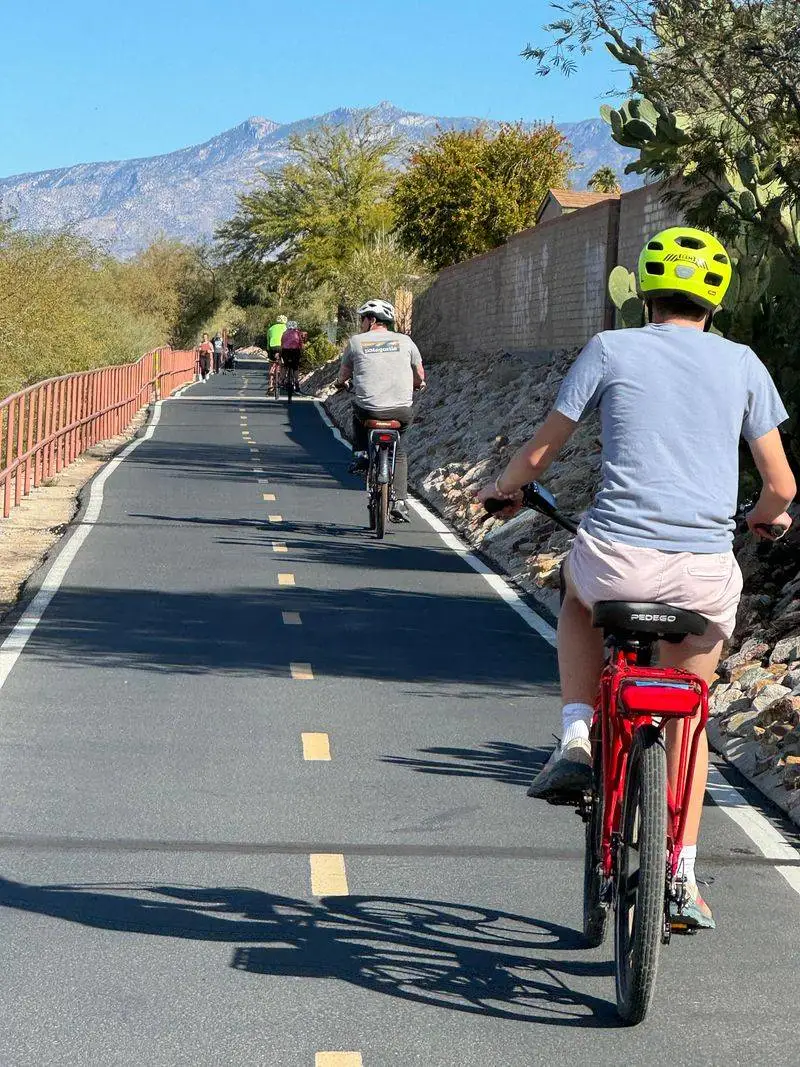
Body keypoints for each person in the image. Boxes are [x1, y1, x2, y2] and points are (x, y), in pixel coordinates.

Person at [477, 227, 795, 929]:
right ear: (716, 298)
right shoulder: (743, 364)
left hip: (617, 559)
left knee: (573, 591)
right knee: (692, 712)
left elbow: (538, 453)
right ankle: (680, 873)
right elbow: (780, 484)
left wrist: (504, 487)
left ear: (645, 293)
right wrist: (762, 519)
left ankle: (577, 734)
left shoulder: (610, 349)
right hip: (703, 574)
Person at [336, 299, 426, 523]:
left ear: (372, 320)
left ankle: (360, 455)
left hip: (369, 412)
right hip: (400, 412)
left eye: (363, 319)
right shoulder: (405, 341)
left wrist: (340, 384)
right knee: (401, 451)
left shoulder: (356, 342)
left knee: (357, 411)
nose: (361, 323)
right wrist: (418, 384)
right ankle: (401, 502)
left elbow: (344, 374)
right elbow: (420, 374)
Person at [279, 320, 304, 392]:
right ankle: (296, 382)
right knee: (295, 367)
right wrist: (302, 352)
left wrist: (281, 354)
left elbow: (282, 343)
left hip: (285, 351)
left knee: (285, 366)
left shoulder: (284, 333)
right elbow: (301, 344)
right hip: (295, 351)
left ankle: (282, 380)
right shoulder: (298, 333)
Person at [267, 315, 288, 392]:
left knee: (271, 363)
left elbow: (268, 341)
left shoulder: (271, 328)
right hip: (283, 348)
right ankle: (282, 380)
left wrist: (268, 350)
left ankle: (270, 384)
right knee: (283, 363)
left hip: (272, 347)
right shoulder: (286, 328)